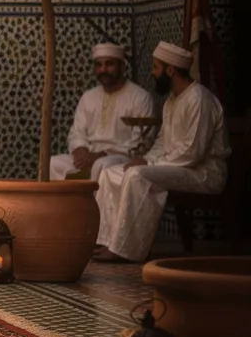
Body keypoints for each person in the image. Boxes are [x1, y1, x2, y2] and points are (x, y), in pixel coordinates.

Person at [93, 42, 230, 262]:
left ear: (170, 70)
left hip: (203, 173)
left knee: (138, 176)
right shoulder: (171, 101)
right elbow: (162, 142)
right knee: (111, 173)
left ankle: (126, 249)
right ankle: (108, 240)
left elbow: (192, 153)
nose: (152, 72)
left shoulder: (199, 99)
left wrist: (149, 166)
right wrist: (144, 158)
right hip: (176, 167)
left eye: (156, 67)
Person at [49, 43, 155, 181]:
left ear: (122, 66)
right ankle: (67, 203)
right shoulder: (88, 97)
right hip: (88, 156)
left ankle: (93, 203)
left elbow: (140, 142)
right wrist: (80, 151)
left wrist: (101, 155)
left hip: (118, 158)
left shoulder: (140, 97)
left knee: (101, 164)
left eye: (109, 64)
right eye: (98, 65)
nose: (103, 69)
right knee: (53, 163)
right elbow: (77, 133)